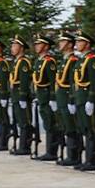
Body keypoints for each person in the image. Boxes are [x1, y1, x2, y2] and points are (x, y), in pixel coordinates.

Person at [72, 32, 95, 172]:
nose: (77, 44)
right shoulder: (81, 60)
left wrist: (91, 99)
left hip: (87, 100)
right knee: (83, 129)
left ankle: (92, 160)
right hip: (80, 99)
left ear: (87, 44)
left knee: (91, 130)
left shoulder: (92, 60)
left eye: (80, 41)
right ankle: (86, 159)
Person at [54, 32, 81, 167]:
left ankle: (74, 155)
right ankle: (70, 155)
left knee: (72, 127)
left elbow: (72, 82)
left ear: (70, 44)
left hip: (67, 99)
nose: (60, 43)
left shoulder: (73, 61)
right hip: (61, 99)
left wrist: (71, 99)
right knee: (65, 126)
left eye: (63, 41)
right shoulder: (64, 60)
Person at [31, 34, 59, 162]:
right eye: (36, 44)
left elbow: (53, 81)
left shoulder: (49, 62)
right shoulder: (39, 61)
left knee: (51, 124)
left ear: (46, 46)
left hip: (48, 97)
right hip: (41, 97)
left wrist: (53, 98)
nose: (37, 46)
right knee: (47, 124)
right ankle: (49, 150)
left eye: (39, 44)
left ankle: (52, 151)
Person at [8, 36, 34, 156]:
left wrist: (23, 96)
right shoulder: (16, 62)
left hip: (21, 96)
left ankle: (25, 146)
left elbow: (24, 81)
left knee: (25, 122)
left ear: (21, 47)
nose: (12, 48)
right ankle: (21, 145)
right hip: (16, 96)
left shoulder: (24, 62)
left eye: (14, 45)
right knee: (19, 121)